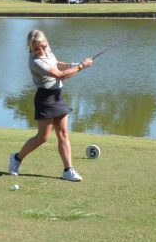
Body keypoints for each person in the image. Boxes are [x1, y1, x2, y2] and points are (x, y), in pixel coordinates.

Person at [8, 29, 93, 182]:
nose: (41, 50)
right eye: (36, 48)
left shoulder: (47, 49)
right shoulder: (36, 62)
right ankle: (16, 158)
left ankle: (68, 170)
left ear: (46, 42)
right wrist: (81, 66)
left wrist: (73, 65)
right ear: (30, 48)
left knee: (63, 134)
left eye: (43, 46)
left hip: (57, 95)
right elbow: (60, 75)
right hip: (45, 98)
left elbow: (57, 64)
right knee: (42, 138)